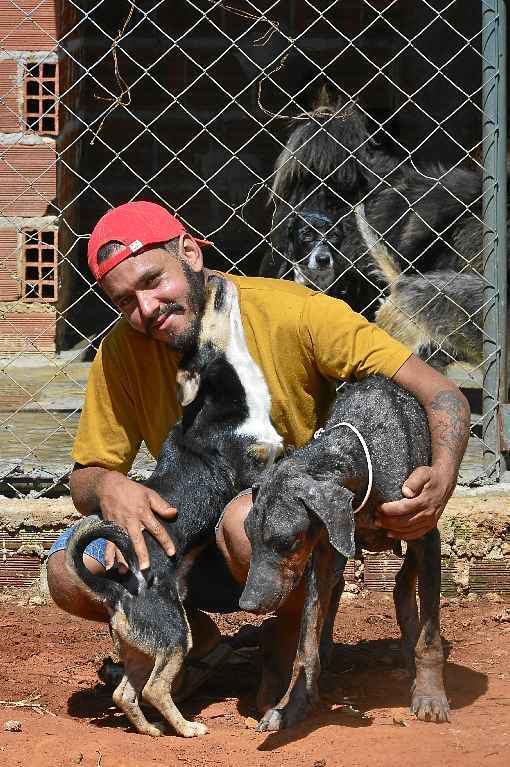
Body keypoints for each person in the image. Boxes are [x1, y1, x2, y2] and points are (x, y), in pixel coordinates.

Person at [47, 201, 470, 710]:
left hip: (276, 534)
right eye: (125, 301)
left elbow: (443, 394)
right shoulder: (122, 349)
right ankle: (192, 640)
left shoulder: (294, 312)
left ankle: (287, 639)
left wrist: (442, 478)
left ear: (189, 253)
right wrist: (110, 487)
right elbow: (85, 475)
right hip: (182, 523)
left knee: (249, 519)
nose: (147, 308)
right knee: (72, 573)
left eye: (154, 280)